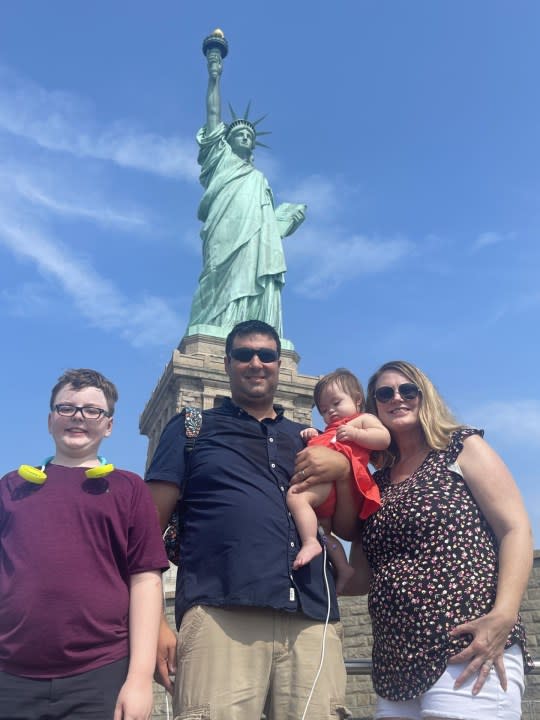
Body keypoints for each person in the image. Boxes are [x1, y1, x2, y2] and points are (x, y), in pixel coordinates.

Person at [145, 320, 352, 720]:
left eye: (267, 355)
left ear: (280, 365)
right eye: (244, 354)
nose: (256, 363)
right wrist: (154, 624)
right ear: (227, 364)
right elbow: (146, 532)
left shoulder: (310, 440)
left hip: (311, 619)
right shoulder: (192, 427)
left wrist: (342, 469)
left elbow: (345, 527)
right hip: (221, 616)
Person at [342, 360, 534, 720]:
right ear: (373, 407)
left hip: (465, 648)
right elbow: (359, 577)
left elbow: (515, 528)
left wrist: (504, 615)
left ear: (424, 395)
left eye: (407, 390)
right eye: (384, 393)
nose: (396, 398)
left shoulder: (460, 447)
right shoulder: (376, 484)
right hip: (395, 663)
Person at [0, 368, 169, 720]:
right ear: (50, 420)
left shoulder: (129, 488)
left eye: (92, 410)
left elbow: (146, 581)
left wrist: (138, 680)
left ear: (108, 425)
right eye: (67, 408)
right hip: (10, 673)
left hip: (100, 672)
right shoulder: (11, 486)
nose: (78, 417)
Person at [186, 37, 307, 339]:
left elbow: (269, 229)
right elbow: (213, 115)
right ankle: (218, 323)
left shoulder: (259, 179)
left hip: (254, 240)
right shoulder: (218, 158)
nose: (244, 137)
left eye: (248, 136)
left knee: (253, 271)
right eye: (238, 133)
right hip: (224, 230)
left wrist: (284, 220)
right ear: (226, 140)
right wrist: (214, 74)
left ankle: (256, 330)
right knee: (217, 275)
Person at [287, 368, 389, 593]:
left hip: (343, 481)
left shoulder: (362, 419)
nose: (331, 412)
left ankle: (310, 542)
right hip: (326, 490)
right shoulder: (328, 430)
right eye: (324, 409)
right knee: (323, 531)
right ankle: (343, 567)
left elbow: (383, 438)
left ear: (357, 399)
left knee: (295, 496)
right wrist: (312, 435)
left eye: (336, 403)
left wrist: (356, 435)